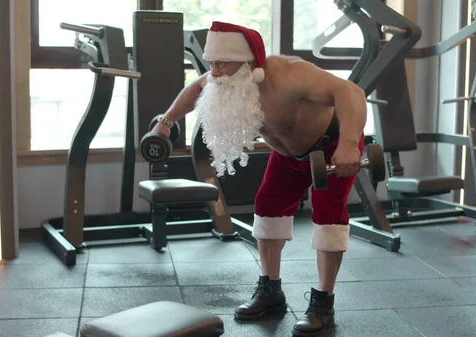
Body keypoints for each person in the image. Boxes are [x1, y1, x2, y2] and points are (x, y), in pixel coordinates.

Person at [151, 21, 367, 337]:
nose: (215, 72)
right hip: (288, 156)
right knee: (267, 206)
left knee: (328, 218)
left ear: (248, 63)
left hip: (331, 147)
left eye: (222, 63)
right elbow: (194, 90)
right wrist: (165, 123)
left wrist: (349, 143)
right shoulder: (225, 77)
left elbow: (350, 91)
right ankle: (271, 292)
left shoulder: (288, 74)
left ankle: (323, 303)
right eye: (212, 63)